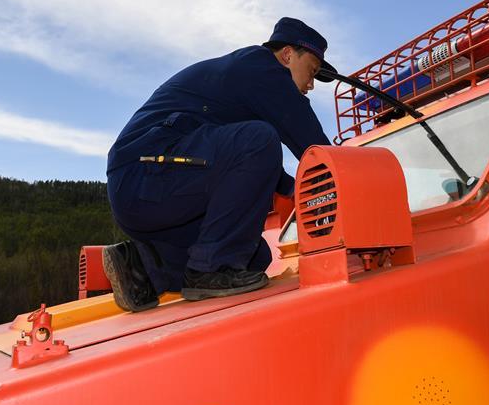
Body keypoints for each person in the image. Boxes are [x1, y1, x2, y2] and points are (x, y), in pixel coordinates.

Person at [103, 17, 335, 310]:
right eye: (311, 71)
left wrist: (298, 191)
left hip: (154, 189)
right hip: (145, 171)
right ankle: (208, 270)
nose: (311, 85)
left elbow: (264, 174)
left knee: (255, 257)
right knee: (261, 139)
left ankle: (144, 268)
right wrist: (351, 181)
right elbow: (314, 145)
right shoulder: (262, 67)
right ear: (288, 55)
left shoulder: (244, 94)